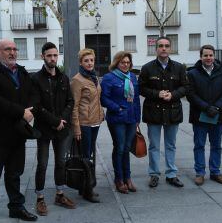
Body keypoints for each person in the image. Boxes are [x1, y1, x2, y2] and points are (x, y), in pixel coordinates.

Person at [0, 39, 38, 222]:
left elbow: (33, 94)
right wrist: (21, 111)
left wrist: (31, 109)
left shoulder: (21, 71)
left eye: (14, 49)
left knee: (14, 175)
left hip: (18, 134)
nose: (12, 52)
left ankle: (16, 207)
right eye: (7, 49)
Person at [139, 36, 189, 188]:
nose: (164, 48)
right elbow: (141, 88)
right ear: (156, 49)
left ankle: (171, 174)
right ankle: (154, 174)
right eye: (160, 46)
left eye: (166, 46)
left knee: (171, 145)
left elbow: (186, 87)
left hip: (172, 111)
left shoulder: (179, 67)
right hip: (154, 111)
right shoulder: (147, 68)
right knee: (154, 145)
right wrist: (157, 94)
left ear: (170, 48)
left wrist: (172, 95)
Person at [32, 42, 75, 215]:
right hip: (44, 129)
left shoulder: (63, 78)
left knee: (61, 162)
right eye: (49, 55)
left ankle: (59, 194)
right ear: (43, 56)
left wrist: (62, 120)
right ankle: (40, 198)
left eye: (55, 55)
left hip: (62, 129)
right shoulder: (35, 79)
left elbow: (70, 102)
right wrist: (54, 121)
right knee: (42, 164)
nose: (53, 58)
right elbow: (36, 106)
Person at [186, 45, 222, 186]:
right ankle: (200, 173)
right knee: (199, 145)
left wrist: (216, 107)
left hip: (218, 115)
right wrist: (206, 107)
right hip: (200, 116)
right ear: (201, 57)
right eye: (205, 55)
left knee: (216, 145)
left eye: (211, 55)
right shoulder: (192, 73)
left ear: (214, 56)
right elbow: (191, 94)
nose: (208, 58)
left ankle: (215, 172)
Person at [101, 51, 141, 194]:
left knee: (127, 148)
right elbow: (104, 99)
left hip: (131, 118)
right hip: (117, 118)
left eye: (127, 62)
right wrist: (117, 108)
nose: (125, 65)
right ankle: (119, 179)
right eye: (122, 62)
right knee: (119, 147)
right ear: (116, 63)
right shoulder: (108, 78)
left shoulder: (132, 77)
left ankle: (127, 178)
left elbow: (136, 100)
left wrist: (138, 118)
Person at [71, 48, 104, 203]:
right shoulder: (77, 80)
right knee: (85, 157)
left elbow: (96, 100)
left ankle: (84, 187)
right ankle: (87, 190)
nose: (90, 63)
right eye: (86, 61)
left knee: (89, 155)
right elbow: (75, 105)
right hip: (84, 123)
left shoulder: (93, 77)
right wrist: (76, 127)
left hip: (95, 122)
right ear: (80, 62)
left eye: (91, 60)